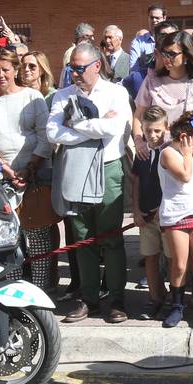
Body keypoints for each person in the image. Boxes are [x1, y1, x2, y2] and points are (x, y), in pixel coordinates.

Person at [46, 42, 132, 324]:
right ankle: (89, 299)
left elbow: (113, 128)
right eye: (71, 68)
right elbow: (52, 133)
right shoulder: (62, 95)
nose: (74, 74)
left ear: (97, 66)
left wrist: (75, 125)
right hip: (77, 169)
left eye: (79, 68)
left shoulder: (116, 93)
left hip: (108, 168)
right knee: (82, 237)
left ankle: (117, 298)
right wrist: (93, 129)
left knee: (110, 237)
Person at [0, 49, 56, 289]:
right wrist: (5, 168)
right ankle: (12, 288)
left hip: (34, 176)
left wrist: (29, 168)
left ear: (15, 69)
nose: (0, 75)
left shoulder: (32, 97)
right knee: (8, 239)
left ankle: (40, 289)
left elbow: (44, 135)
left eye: (5, 69)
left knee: (37, 237)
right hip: (0, 179)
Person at [157, 111, 193, 328]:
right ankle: (177, 304)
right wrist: (188, 154)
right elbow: (185, 176)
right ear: (184, 139)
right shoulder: (169, 153)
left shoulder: (192, 153)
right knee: (180, 264)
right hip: (175, 215)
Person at [134, 30, 193, 132]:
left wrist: (189, 137)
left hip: (187, 144)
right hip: (156, 145)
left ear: (186, 55)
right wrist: (139, 143)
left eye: (172, 54)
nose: (166, 58)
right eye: (164, 53)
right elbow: (138, 116)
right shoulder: (152, 81)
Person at [131, 107, 170, 319]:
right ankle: (155, 297)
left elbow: (174, 185)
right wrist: (136, 210)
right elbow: (136, 182)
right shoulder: (142, 153)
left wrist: (162, 207)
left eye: (157, 131)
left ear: (166, 128)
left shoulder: (171, 152)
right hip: (146, 216)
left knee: (173, 259)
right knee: (150, 257)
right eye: (148, 131)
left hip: (166, 216)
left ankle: (175, 297)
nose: (153, 135)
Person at [126, 3, 168, 68]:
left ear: (164, 18)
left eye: (157, 18)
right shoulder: (138, 42)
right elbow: (134, 69)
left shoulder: (170, 39)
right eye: (151, 17)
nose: (154, 20)